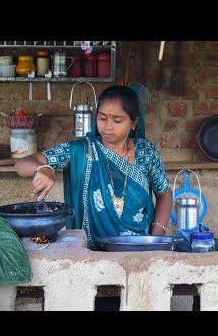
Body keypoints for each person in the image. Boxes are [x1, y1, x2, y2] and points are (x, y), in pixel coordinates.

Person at [15, 85, 172, 250]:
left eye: (117, 120)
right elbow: (22, 164)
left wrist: (155, 239)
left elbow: (164, 194)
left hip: (141, 250)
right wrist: (43, 169)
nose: (108, 126)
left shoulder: (146, 151)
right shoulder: (81, 150)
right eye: (102, 118)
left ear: (134, 122)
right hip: (92, 255)